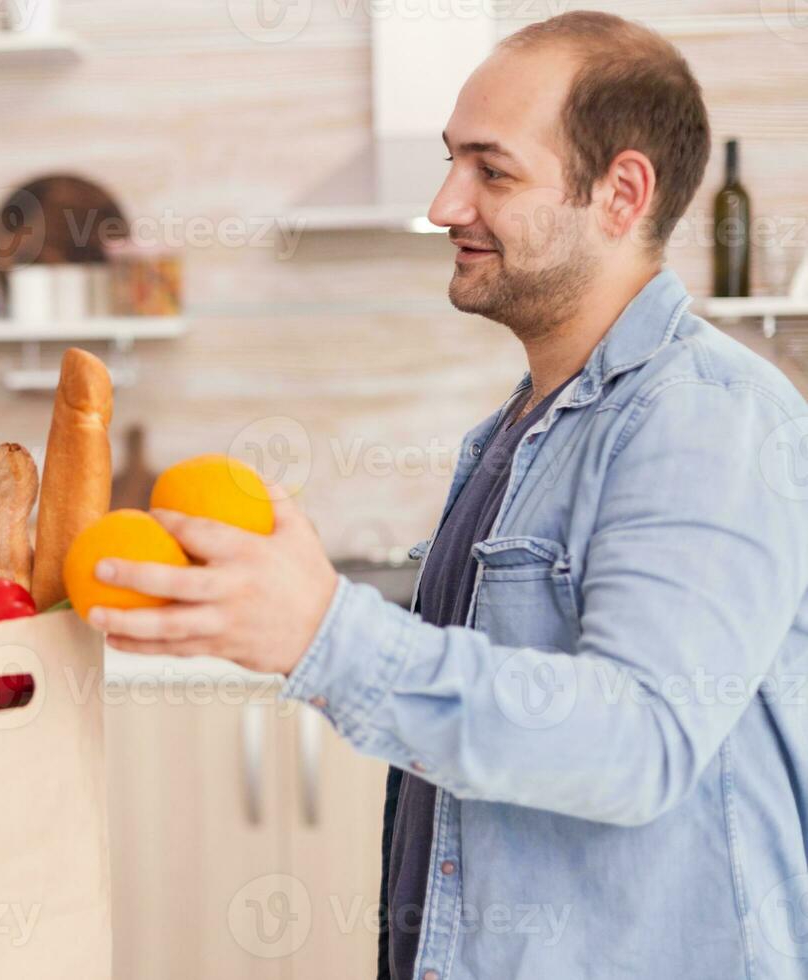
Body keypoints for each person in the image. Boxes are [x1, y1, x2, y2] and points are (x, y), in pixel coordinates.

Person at [90, 12, 808, 979]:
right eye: (448, 162)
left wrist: (324, 633)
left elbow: (642, 739)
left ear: (621, 193)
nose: (443, 204)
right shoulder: (520, 431)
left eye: (491, 171)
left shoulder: (706, 415)